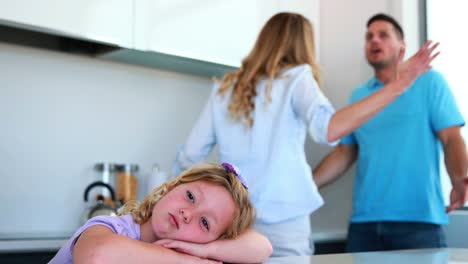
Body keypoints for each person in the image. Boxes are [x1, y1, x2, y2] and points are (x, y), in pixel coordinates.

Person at [173, 12, 439, 256]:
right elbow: (330, 128)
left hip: (234, 217)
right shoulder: (297, 78)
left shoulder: (225, 89)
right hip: (285, 222)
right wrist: (400, 84)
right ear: (303, 44)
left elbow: (189, 156)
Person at [313, 13, 468, 252]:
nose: (374, 41)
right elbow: (345, 152)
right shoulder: (359, 96)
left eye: (383, 35)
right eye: (369, 37)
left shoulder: (430, 83)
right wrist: (308, 183)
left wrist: (459, 178)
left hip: (419, 223)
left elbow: (451, 138)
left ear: (402, 46)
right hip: (364, 226)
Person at [48, 162, 272, 264]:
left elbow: (262, 248)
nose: (187, 214)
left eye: (204, 222)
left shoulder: (194, 250)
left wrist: (203, 249)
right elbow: (97, 256)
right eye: (191, 197)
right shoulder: (113, 227)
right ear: (171, 186)